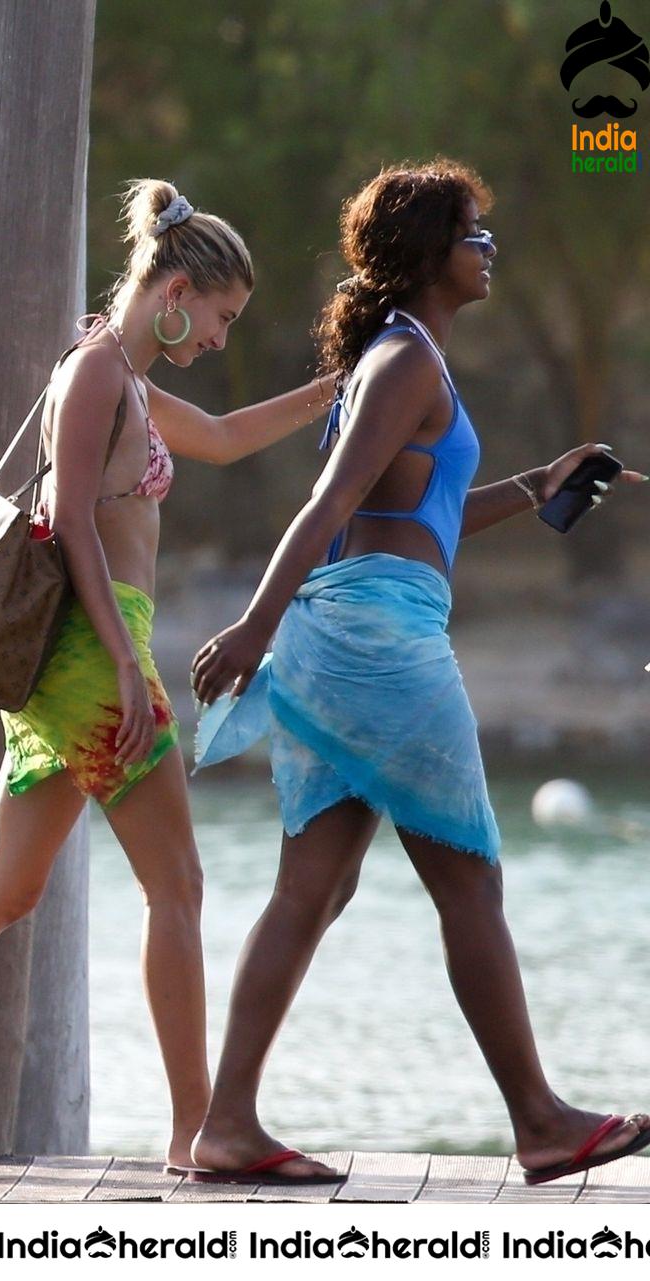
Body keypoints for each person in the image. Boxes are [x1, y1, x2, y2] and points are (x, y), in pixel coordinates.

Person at [188, 159, 646, 1186]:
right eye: (474, 233)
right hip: (381, 645)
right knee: (470, 881)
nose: (489, 248)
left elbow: (416, 514)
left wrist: (536, 485)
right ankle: (541, 1121)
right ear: (433, 252)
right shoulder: (404, 363)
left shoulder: (402, 357)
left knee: (313, 888)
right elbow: (328, 505)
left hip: (349, 637)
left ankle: (226, 1125)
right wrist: (252, 624)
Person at [0, 180, 340, 1173]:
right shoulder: (98, 371)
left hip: (84, 657)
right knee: (177, 885)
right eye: (221, 317)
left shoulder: (129, 381)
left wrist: (336, 389)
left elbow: (224, 439)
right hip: (92, 656)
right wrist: (123, 662)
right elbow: (66, 520)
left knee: (1, 892)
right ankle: (200, 1131)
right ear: (176, 292)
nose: (222, 339)